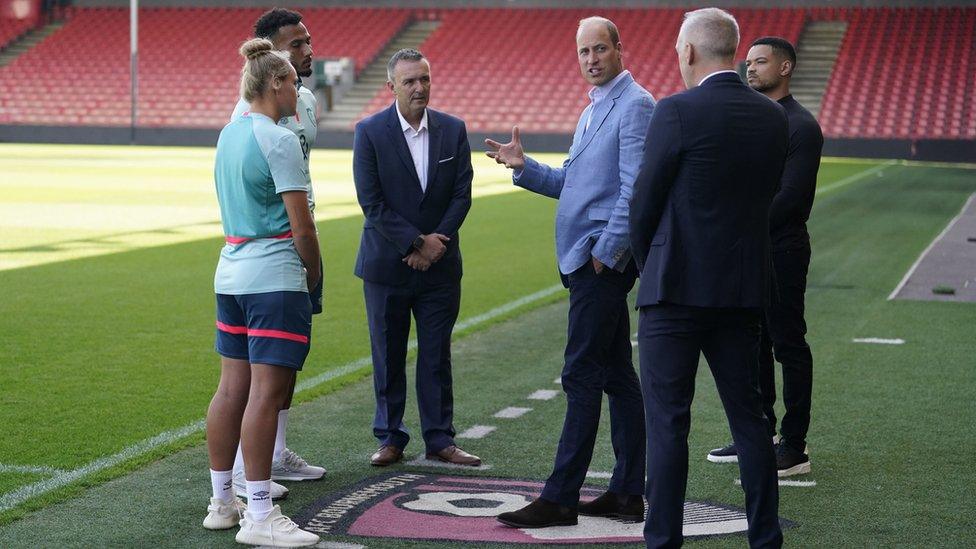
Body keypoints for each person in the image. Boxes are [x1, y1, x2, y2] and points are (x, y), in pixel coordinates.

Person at [629, 8, 787, 548]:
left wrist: (647, 262)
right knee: (751, 420)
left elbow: (643, 203)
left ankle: (663, 542)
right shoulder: (773, 117)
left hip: (674, 290)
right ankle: (765, 539)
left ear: (690, 52)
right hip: (742, 291)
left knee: (668, 424)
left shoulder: (675, 111)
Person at [488, 16, 654, 528]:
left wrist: (608, 252)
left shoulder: (636, 106)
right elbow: (574, 184)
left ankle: (560, 497)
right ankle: (628, 493)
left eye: (599, 49)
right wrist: (524, 166)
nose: (590, 59)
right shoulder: (593, 109)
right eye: (583, 52)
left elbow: (635, 188)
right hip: (586, 260)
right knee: (617, 377)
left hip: (599, 263)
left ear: (619, 48)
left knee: (581, 376)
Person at [204, 38, 320, 547]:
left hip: (229, 272)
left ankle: (222, 502)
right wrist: (313, 271)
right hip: (273, 278)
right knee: (265, 396)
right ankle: (258, 514)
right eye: (292, 81)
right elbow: (303, 225)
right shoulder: (278, 138)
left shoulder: (229, 134)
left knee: (230, 389)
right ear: (275, 83)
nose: (298, 87)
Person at [352, 48, 479, 468]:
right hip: (388, 266)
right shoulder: (369, 132)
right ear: (392, 87)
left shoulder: (453, 129)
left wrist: (435, 243)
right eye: (410, 81)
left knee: (436, 353)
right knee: (387, 353)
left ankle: (440, 438)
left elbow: (462, 194)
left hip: (441, 266)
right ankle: (390, 437)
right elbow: (371, 202)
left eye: (424, 78)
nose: (420, 87)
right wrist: (414, 244)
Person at [708, 37, 823, 477]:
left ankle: (794, 447)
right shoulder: (753, 120)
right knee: (753, 344)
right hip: (749, 248)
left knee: (788, 343)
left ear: (787, 67)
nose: (750, 69)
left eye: (761, 62)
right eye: (748, 62)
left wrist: (737, 227)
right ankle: (757, 435)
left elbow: (789, 199)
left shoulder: (801, 126)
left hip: (782, 249)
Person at [229, 8, 325, 497]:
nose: (308, 51)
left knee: (289, 361)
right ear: (268, 53)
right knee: (260, 371)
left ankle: (276, 453)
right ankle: (251, 471)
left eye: (308, 41)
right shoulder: (247, 113)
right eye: (296, 44)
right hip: (270, 249)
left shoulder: (305, 100)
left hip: (299, 233)